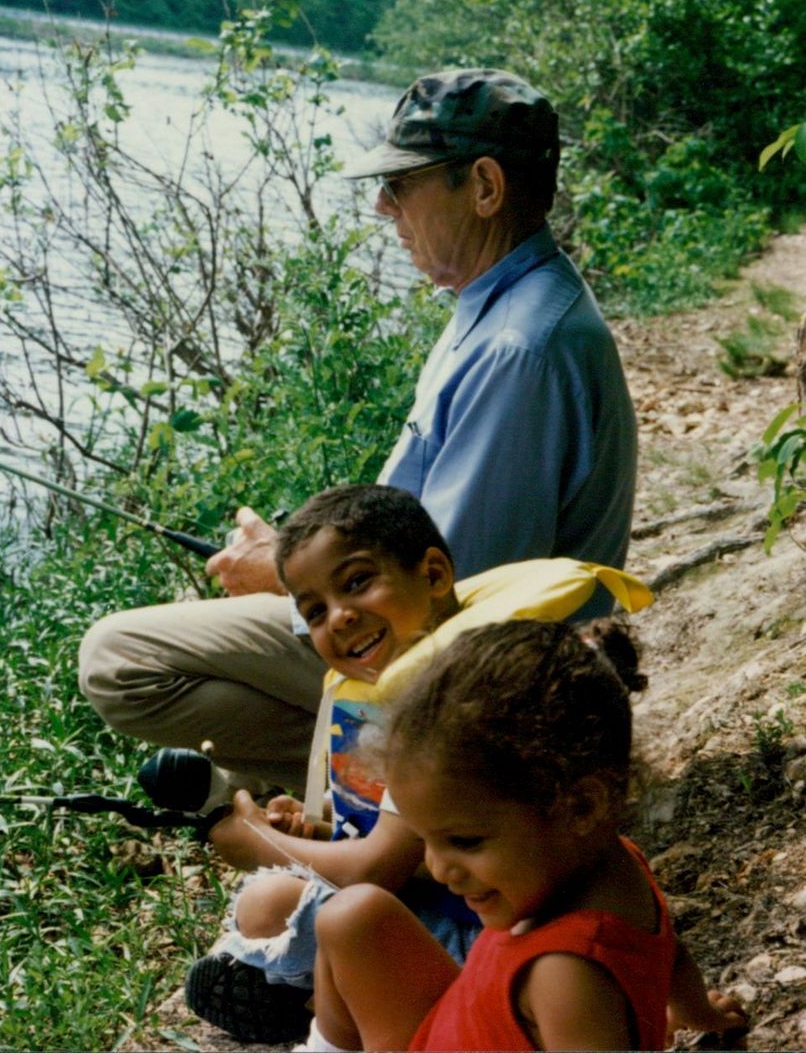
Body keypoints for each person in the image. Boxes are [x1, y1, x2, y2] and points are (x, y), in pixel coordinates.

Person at [78, 67, 636, 793]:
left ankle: (397, 784)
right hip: (462, 652)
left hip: (479, 682)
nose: (382, 206)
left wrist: (291, 582)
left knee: (117, 660)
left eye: (401, 185)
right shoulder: (510, 305)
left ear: (485, 186)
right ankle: (357, 780)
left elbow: (453, 593)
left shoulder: (517, 348)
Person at [184, 483, 653, 1043]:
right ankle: (317, 1005)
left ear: (433, 574)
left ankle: (326, 1004)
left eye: (357, 583)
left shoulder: (454, 716)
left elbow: (377, 866)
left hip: (482, 931)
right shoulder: (390, 696)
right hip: (455, 909)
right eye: (315, 611)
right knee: (294, 909)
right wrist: (320, 823)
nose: (339, 618)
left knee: (318, 910)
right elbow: (390, 832)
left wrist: (258, 842)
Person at [297, 621, 749, 1053]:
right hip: (451, 1022)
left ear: (581, 806)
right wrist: (700, 1014)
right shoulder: (617, 862)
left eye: (465, 841)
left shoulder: (565, 972)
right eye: (424, 840)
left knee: (350, 916)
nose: (437, 867)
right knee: (352, 915)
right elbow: (668, 952)